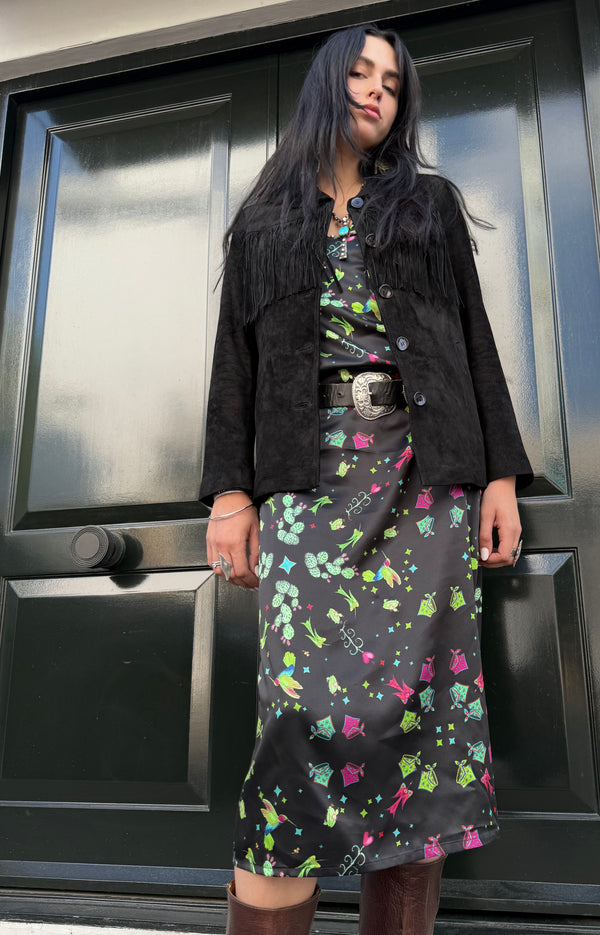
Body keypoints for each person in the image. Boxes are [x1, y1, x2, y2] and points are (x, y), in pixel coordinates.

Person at [200, 23, 532, 935]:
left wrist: (500, 476)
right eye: (360, 71)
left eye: (392, 80)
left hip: (426, 484)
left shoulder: (428, 206)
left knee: (421, 730)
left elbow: (474, 341)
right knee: (295, 726)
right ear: (325, 83)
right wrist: (231, 494)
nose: (378, 88)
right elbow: (233, 365)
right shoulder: (263, 223)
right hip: (305, 484)